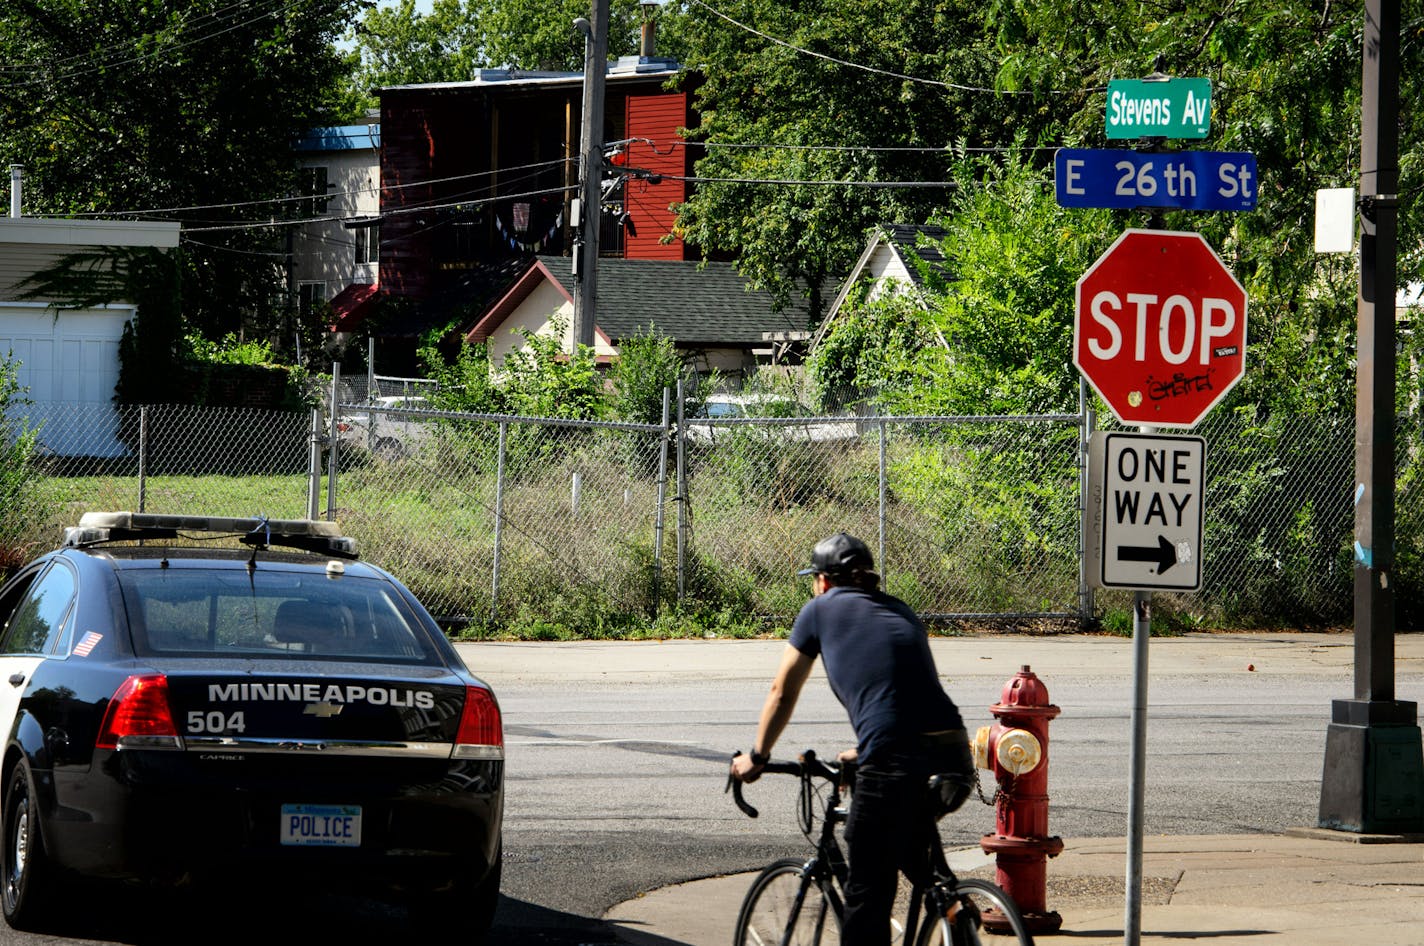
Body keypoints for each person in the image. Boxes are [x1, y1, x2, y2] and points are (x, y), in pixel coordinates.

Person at [730, 532, 973, 946]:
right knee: (908, 843)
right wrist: (867, 749)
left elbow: (782, 691)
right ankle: (955, 911)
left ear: (823, 581)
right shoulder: (901, 610)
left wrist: (757, 756)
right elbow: (906, 688)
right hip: (953, 754)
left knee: (866, 893)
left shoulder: (819, 610)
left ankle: (949, 914)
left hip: (894, 756)